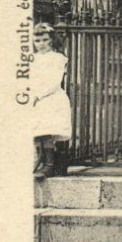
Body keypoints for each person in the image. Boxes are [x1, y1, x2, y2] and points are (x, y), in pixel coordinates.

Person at [32, 23, 72, 179]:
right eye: (37, 40)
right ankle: (40, 162)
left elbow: (54, 81)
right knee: (35, 132)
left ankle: (49, 165)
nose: (41, 44)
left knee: (46, 130)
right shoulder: (32, 59)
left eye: (44, 40)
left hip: (51, 98)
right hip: (34, 98)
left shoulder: (57, 58)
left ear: (50, 40)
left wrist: (37, 95)